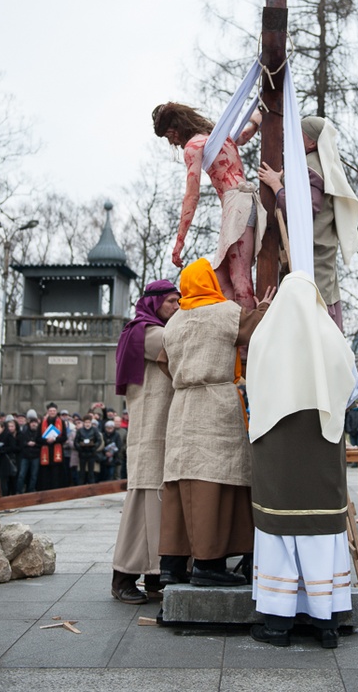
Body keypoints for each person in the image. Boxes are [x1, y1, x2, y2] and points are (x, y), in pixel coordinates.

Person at [246, 270, 358, 649]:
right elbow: (353, 390)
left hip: (276, 447)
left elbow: (251, 391)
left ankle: (278, 624)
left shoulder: (264, 337)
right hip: (321, 445)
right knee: (321, 532)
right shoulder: (332, 338)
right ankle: (326, 623)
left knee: (278, 530)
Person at [158, 258, 275, 587]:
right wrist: (264, 305)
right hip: (214, 403)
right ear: (208, 282)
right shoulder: (224, 313)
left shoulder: (174, 323)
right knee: (214, 481)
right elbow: (257, 328)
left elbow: (165, 365)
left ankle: (172, 564)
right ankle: (209, 565)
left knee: (182, 481)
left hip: (181, 403)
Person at [152, 103, 266, 308]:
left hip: (237, 205)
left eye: (169, 136)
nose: (172, 142)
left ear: (176, 127)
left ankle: (249, 337)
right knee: (221, 282)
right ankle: (236, 331)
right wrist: (256, 120)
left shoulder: (193, 146)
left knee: (240, 280)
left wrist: (179, 241)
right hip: (239, 204)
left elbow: (191, 195)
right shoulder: (216, 137)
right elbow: (242, 136)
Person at [111, 278, 181, 604]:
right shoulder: (147, 332)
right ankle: (123, 576)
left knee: (158, 506)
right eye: (171, 302)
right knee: (143, 505)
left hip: (160, 430)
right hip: (149, 433)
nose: (177, 307)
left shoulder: (146, 330)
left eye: (179, 301)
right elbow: (183, 343)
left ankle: (155, 577)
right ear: (154, 303)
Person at [258, 116, 358, 331]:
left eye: (300, 134)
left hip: (312, 255)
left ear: (312, 143)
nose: (293, 137)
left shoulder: (311, 165)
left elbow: (305, 208)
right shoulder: (318, 162)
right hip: (317, 252)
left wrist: (276, 186)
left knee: (314, 315)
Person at [37, 402, 67, 489]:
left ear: (56, 411)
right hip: (45, 451)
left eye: (54, 411)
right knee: (45, 474)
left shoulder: (61, 422)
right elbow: (37, 438)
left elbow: (64, 437)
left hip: (57, 452)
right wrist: (46, 440)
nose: (52, 412)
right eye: (50, 411)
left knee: (56, 474)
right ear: (48, 412)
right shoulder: (42, 423)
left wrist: (55, 439)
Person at [74, 414, 103, 484]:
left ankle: (91, 487)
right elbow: (76, 441)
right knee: (82, 472)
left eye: (89, 422)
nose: (87, 424)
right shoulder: (80, 430)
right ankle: (81, 486)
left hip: (91, 453)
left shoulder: (95, 430)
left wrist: (94, 447)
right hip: (83, 453)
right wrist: (80, 448)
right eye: (86, 422)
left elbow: (99, 440)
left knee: (91, 472)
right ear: (84, 423)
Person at [16, 413, 41, 493]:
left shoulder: (39, 433)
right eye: (32, 423)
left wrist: (35, 444)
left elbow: (41, 443)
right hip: (25, 456)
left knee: (34, 475)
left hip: (35, 455)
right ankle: (19, 491)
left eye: (35, 423)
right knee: (21, 475)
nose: (34, 424)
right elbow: (20, 443)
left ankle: (31, 490)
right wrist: (27, 443)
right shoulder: (24, 432)